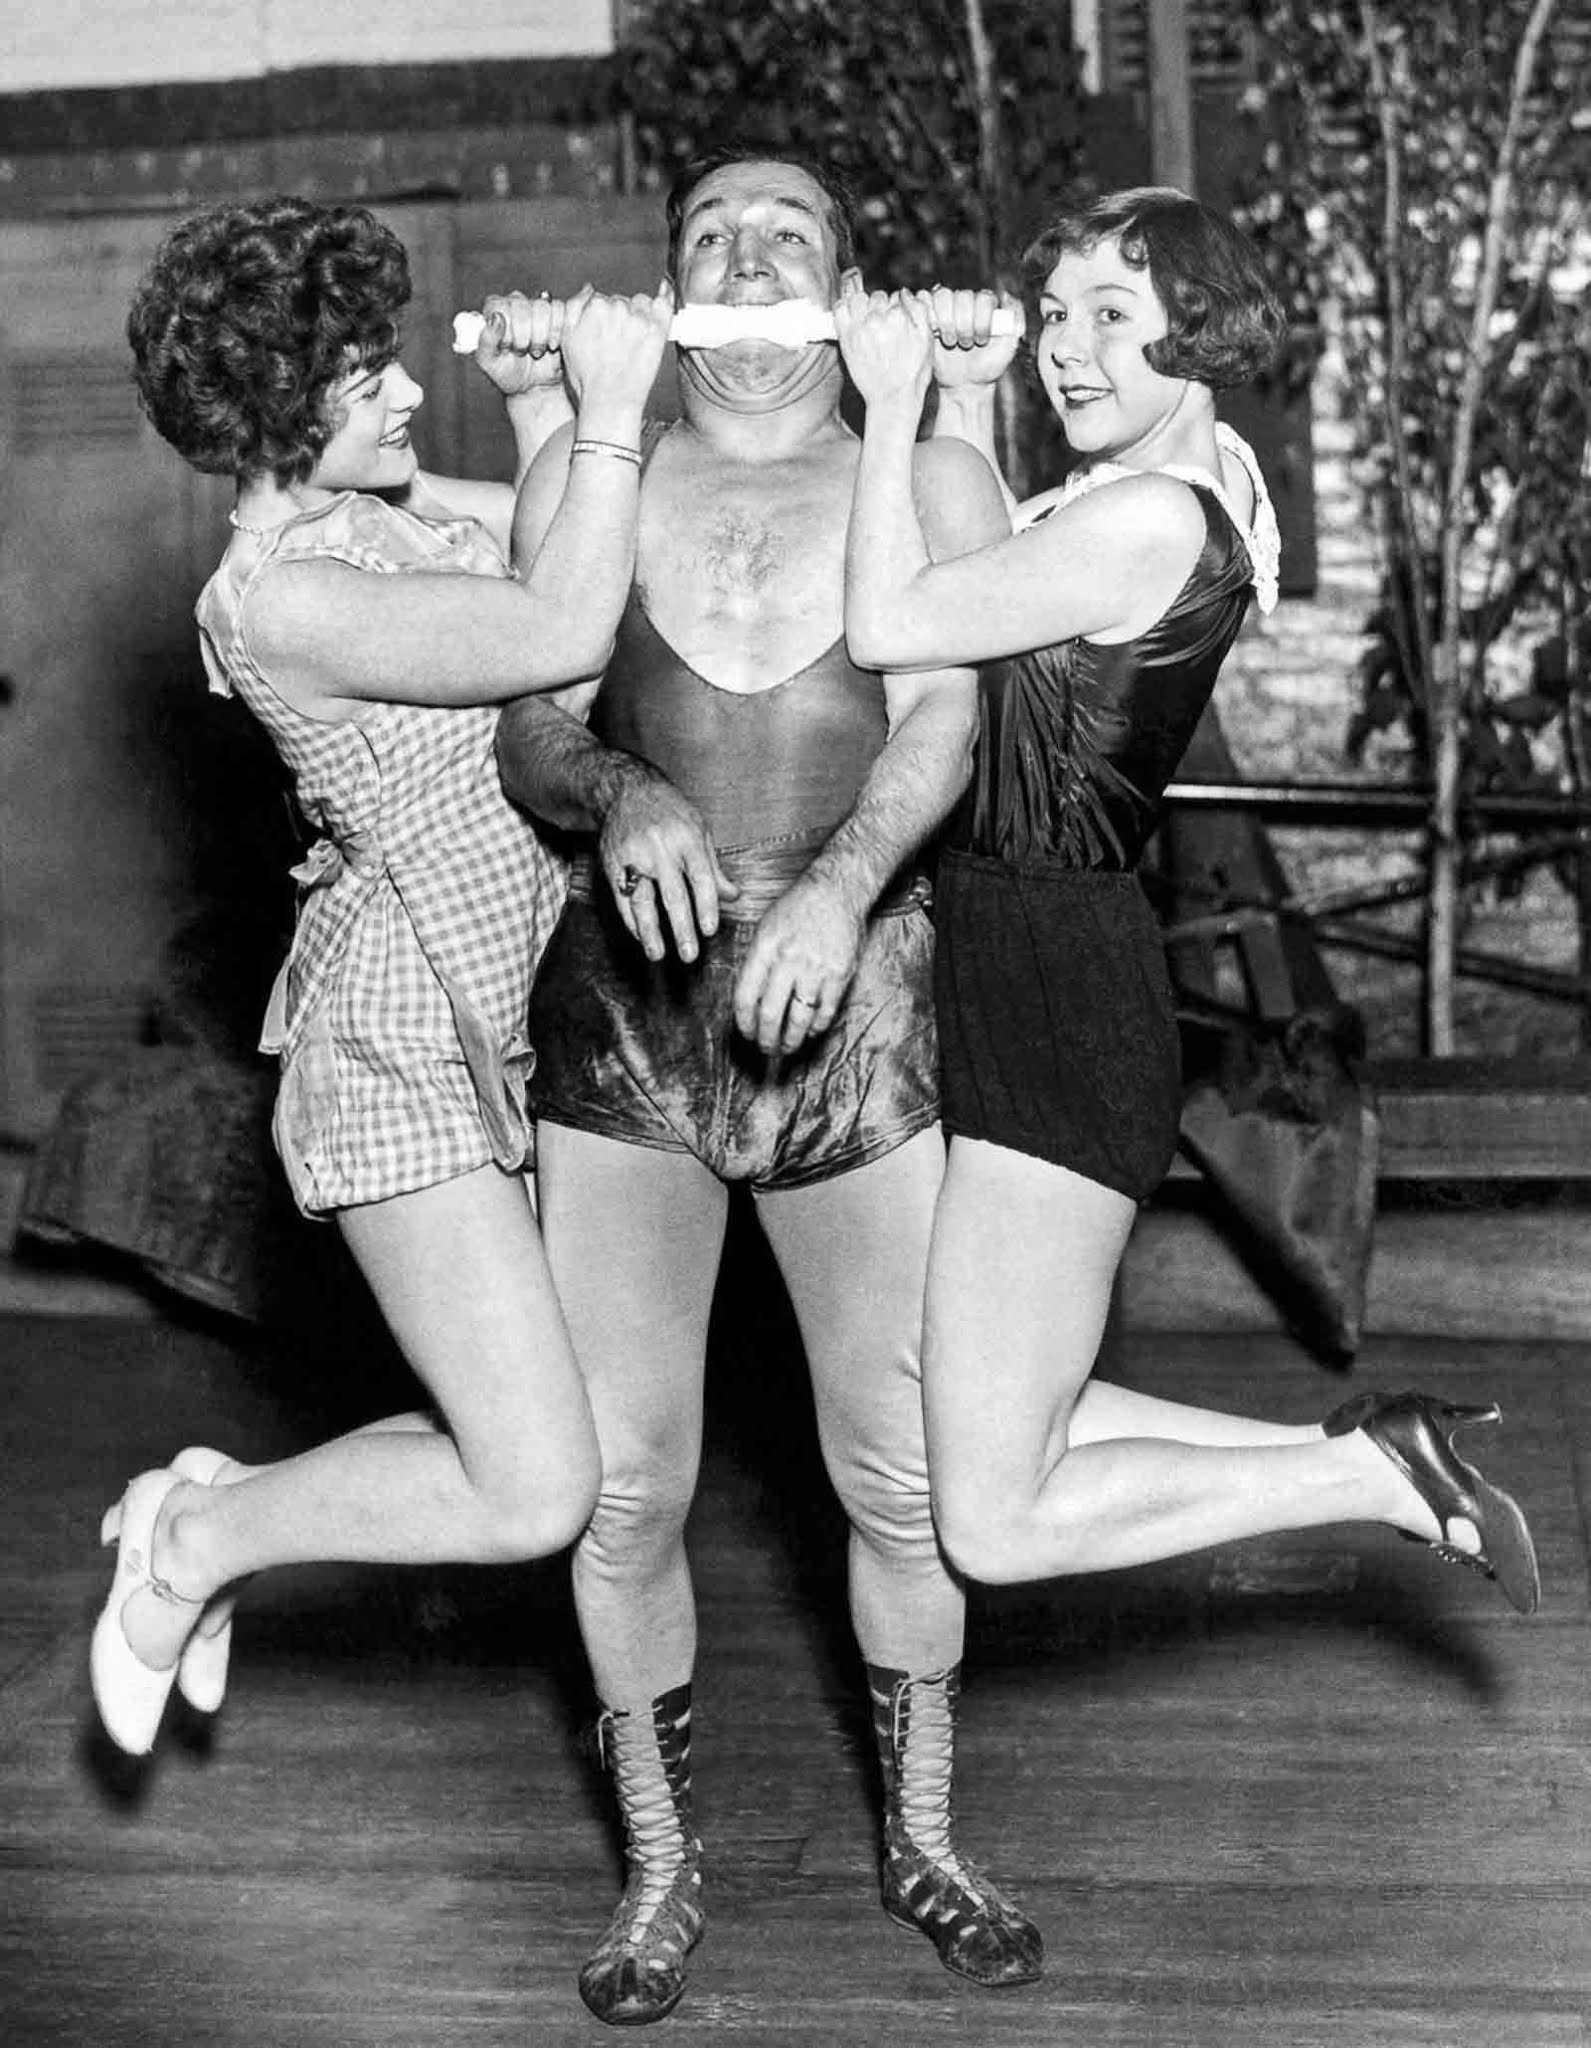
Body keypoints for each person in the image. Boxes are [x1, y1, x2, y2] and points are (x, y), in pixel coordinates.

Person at [493, 146, 1040, 2024]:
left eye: (787, 229)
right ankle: (657, 1868)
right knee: (619, 1488)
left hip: (860, 1013)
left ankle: (931, 1837)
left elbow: (953, 715)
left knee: (898, 1474)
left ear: (842, 274)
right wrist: (618, 787)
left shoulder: (934, 469)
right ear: (671, 279)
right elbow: (528, 719)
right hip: (623, 1039)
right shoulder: (593, 465)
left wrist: (838, 883)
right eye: (710, 231)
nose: (744, 253)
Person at [833, 187, 1541, 1613]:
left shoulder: (1153, 515)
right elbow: (985, 583)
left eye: (1116, 318)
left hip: (1056, 994)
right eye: (1056, 318)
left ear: (1198, 334)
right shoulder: (1167, 485)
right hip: (1036, 967)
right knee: (1004, 1429)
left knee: (994, 1520)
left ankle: (1368, 1478)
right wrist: (968, 399)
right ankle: (1377, 1463)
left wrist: (893, 398)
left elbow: (892, 622)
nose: (1070, 350)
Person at [93, 196, 672, 1765]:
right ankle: (192, 1541)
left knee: (553, 1445)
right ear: (279, 414)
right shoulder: (277, 596)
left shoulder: (394, 510)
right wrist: (609, 410)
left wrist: (557, 403)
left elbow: (581, 538)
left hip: (515, 1016)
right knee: (536, 1485)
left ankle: (207, 1516)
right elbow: (562, 624)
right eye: (362, 378)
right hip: (397, 1047)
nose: (408, 393)